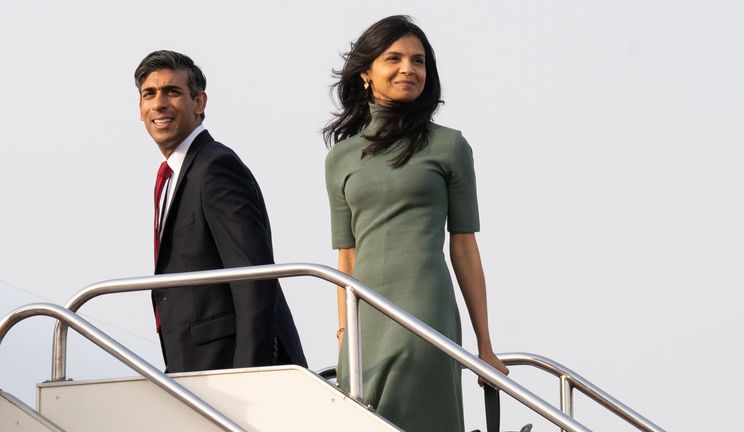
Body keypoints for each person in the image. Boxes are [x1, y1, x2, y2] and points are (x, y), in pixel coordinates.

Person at [324, 15, 509, 432]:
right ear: (366, 73)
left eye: (419, 61)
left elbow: (464, 247)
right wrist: (342, 336)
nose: (409, 69)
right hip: (364, 318)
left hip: (426, 307)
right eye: (394, 58)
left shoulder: (450, 146)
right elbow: (347, 256)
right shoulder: (340, 158)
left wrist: (485, 345)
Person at [135, 50, 306, 373]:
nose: (158, 104)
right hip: (195, 368)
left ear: (199, 103)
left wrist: (248, 373)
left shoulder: (215, 167)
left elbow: (254, 278)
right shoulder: (175, 175)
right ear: (140, 108)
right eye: (149, 94)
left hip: (234, 369)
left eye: (172, 92)